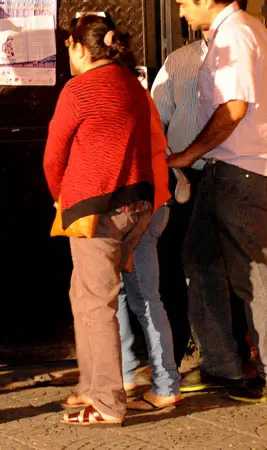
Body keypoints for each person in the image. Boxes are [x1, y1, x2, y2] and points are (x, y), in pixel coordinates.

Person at [167, 0, 267, 403]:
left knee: (253, 273)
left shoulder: (238, 33)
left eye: (185, 4)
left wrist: (189, 153)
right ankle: (222, 364)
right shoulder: (228, 34)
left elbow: (234, 108)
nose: (182, 13)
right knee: (200, 259)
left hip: (242, 171)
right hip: (227, 171)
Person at [43, 14, 155, 426]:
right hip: (137, 205)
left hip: (96, 209)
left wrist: (61, 196)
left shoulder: (78, 89)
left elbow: (53, 155)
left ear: (78, 47)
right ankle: (91, 385)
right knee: (85, 293)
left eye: (69, 48)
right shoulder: (131, 84)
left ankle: (108, 401)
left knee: (96, 302)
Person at [116, 89, 183, 412]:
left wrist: (131, 237)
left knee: (144, 298)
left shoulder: (123, 96)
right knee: (123, 293)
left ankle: (166, 385)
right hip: (150, 204)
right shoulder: (137, 94)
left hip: (145, 207)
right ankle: (127, 372)